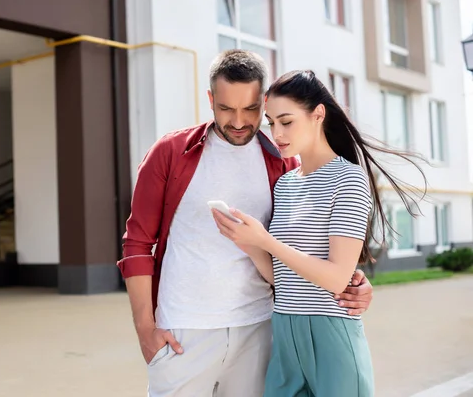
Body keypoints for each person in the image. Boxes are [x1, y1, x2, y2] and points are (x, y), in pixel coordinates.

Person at [116, 50, 375, 397]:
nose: (239, 121)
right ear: (210, 100)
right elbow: (136, 243)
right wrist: (145, 328)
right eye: (226, 109)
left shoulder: (281, 164)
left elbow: (310, 253)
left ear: (263, 101)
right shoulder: (171, 152)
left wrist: (354, 281)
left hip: (261, 331)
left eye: (252, 110)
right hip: (184, 332)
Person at [211, 69, 426, 396]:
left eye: (286, 121)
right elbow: (282, 277)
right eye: (271, 123)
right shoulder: (285, 184)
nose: (277, 133)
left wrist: (265, 241)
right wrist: (251, 245)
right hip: (283, 332)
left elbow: (337, 278)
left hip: (331, 336)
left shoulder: (349, 180)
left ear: (318, 115)